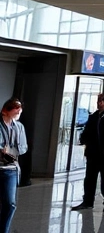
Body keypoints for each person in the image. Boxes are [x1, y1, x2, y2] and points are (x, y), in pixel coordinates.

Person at [72, 94, 104, 212]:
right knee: (89, 178)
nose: (99, 104)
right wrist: (82, 139)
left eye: (102, 101)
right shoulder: (93, 116)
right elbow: (87, 130)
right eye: (98, 101)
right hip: (93, 152)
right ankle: (88, 201)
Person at [0, 99, 27, 233]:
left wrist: (9, 150)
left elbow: (23, 147)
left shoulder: (19, 127)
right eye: (16, 108)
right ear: (6, 110)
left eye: (20, 108)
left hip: (10, 169)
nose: (19, 111)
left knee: (10, 204)